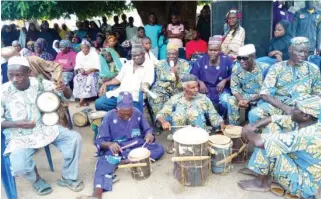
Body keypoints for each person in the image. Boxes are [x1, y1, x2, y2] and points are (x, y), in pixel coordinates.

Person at [2, 56, 83, 195]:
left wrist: (64, 89)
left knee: (74, 138)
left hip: (44, 128)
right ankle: (36, 179)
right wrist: (17, 123)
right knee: (19, 166)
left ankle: (69, 177)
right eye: (11, 75)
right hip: (18, 135)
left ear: (28, 73)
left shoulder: (39, 83)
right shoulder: (2, 91)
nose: (15, 79)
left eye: (19, 75)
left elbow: (69, 97)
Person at [79, 92, 164, 199]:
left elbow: (148, 129)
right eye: (123, 113)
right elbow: (100, 140)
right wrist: (110, 144)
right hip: (118, 149)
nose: (127, 116)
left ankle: (125, 160)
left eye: (129, 113)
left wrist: (149, 134)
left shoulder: (137, 113)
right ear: (117, 109)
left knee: (159, 149)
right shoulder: (109, 116)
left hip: (137, 145)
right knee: (102, 165)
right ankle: (96, 195)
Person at [238, 95, 321, 199]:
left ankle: (261, 183)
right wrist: (254, 126)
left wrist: (247, 130)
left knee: (268, 145)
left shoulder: (306, 135)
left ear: (305, 116)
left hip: (303, 184)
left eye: (296, 108)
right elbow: (274, 118)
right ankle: (258, 170)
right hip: (300, 166)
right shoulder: (310, 122)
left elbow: (258, 142)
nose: (291, 109)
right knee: (272, 127)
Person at [249, 37, 321, 124]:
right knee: (255, 114)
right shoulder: (277, 68)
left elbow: (317, 92)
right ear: (290, 50)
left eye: (306, 52)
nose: (303, 55)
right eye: (300, 51)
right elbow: (265, 94)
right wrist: (285, 108)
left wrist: (305, 107)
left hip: (304, 109)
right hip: (278, 105)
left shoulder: (313, 69)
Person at [156, 74, 225, 153]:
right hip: (180, 135)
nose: (196, 89)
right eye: (193, 87)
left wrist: (221, 124)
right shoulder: (175, 99)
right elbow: (161, 114)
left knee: (195, 113)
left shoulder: (203, 99)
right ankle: (176, 142)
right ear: (185, 88)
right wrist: (164, 122)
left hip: (198, 135)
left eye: (197, 86)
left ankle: (198, 144)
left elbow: (214, 115)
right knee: (178, 115)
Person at [95, 44, 154, 112]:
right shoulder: (127, 65)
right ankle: (116, 114)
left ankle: (120, 114)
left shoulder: (148, 65)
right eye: (134, 55)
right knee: (98, 104)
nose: (136, 57)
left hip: (134, 97)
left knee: (131, 114)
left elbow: (147, 81)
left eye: (138, 55)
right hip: (120, 94)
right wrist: (105, 84)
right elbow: (118, 79)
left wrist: (145, 86)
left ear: (143, 54)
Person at [220, 44, 269, 125]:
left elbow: (266, 90)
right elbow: (234, 88)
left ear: (253, 57)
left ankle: (253, 131)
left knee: (263, 105)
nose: (241, 61)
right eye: (239, 58)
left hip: (260, 97)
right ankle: (235, 129)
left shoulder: (265, 68)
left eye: (245, 58)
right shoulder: (236, 68)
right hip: (244, 96)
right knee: (231, 100)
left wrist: (249, 100)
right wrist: (241, 100)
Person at [191, 36, 234, 117]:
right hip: (205, 89)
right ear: (207, 50)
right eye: (210, 50)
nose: (213, 52)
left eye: (215, 50)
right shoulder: (201, 60)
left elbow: (235, 74)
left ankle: (223, 120)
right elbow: (193, 75)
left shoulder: (227, 60)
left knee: (226, 99)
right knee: (198, 102)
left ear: (220, 50)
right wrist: (200, 82)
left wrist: (225, 80)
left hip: (221, 89)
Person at [147, 43, 191, 116]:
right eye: (169, 54)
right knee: (154, 96)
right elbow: (161, 78)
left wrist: (176, 74)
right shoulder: (160, 63)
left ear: (177, 54)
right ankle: (161, 120)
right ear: (166, 54)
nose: (171, 56)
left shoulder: (184, 63)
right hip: (161, 89)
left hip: (178, 88)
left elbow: (184, 79)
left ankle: (174, 120)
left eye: (174, 54)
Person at [73, 40, 100, 107]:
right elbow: (78, 65)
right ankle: (81, 98)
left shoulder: (94, 53)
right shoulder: (79, 54)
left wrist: (90, 70)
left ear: (89, 47)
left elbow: (97, 66)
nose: (84, 49)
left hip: (93, 71)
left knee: (89, 79)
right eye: (82, 48)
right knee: (77, 78)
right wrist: (81, 70)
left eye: (85, 48)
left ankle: (83, 100)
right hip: (83, 72)